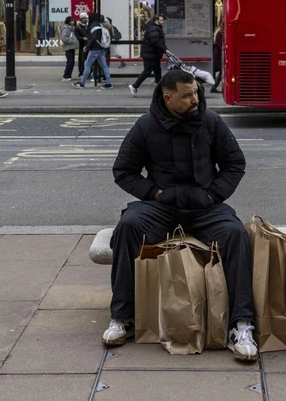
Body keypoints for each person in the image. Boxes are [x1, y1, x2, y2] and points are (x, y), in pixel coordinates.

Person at [106, 69, 257, 362]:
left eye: (196, 93)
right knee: (127, 227)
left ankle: (241, 325)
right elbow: (123, 171)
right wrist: (154, 193)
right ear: (168, 98)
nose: (195, 100)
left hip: (204, 205)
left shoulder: (211, 121)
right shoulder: (146, 125)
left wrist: (212, 196)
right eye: (187, 95)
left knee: (236, 234)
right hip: (162, 206)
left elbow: (234, 164)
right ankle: (122, 317)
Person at [130, 15, 168, 97]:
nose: (163, 22)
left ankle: (160, 88)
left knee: (157, 71)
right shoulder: (153, 28)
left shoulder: (154, 28)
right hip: (150, 54)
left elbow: (158, 41)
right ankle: (134, 86)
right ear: (156, 20)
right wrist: (165, 49)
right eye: (161, 20)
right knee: (148, 70)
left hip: (153, 54)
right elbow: (155, 41)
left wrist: (165, 49)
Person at [74, 13, 112, 89]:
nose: (88, 19)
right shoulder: (100, 25)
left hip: (94, 49)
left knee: (87, 65)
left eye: (89, 18)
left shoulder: (93, 26)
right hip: (101, 48)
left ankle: (82, 83)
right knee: (104, 66)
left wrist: (87, 46)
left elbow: (93, 38)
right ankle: (108, 83)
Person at [60, 16, 79, 81]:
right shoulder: (65, 28)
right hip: (68, 47)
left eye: (73, 21)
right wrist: (72, 41)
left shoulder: (72, 28)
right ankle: (66, 76)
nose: (72, 22)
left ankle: (69, 75)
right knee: (70, 62)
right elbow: (64, 38)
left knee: (71, 62)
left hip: (72, 47)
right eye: (71, 21)